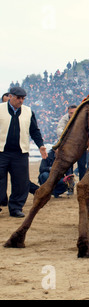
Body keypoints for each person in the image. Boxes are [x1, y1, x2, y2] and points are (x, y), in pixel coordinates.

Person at [0, 87, 47, 217]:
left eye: (23, 98)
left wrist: (41, 145)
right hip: (1, 151)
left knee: (21, 182)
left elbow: (34, 131)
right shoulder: (0, 109)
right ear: (10, 96)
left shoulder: (28, 112)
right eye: (18, 98)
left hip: (20, 152)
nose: (21, 101)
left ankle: (15, 208)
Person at [56, 105, 88, 185]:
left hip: (81, 146)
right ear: (68, 112)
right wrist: (68, 134)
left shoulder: (83, 118)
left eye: (74, 112)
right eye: (71, 113)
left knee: (82, 166)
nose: (72, 114)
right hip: (69, 146)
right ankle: (70, 186)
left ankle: (82, 185)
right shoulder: (65, 119)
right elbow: (59, 130)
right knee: (68, 167)